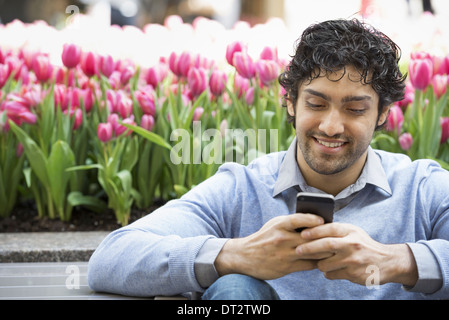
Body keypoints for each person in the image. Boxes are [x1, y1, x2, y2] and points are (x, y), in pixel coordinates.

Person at [87, 18, 449, 300]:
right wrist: (234, 255)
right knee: (236, 291)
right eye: (316, 103)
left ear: (383, 113)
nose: (331, 125)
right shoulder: (242, 188)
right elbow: (111, 258)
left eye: (355, 109)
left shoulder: (421, 188)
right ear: (290, 102)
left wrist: (399, 262)